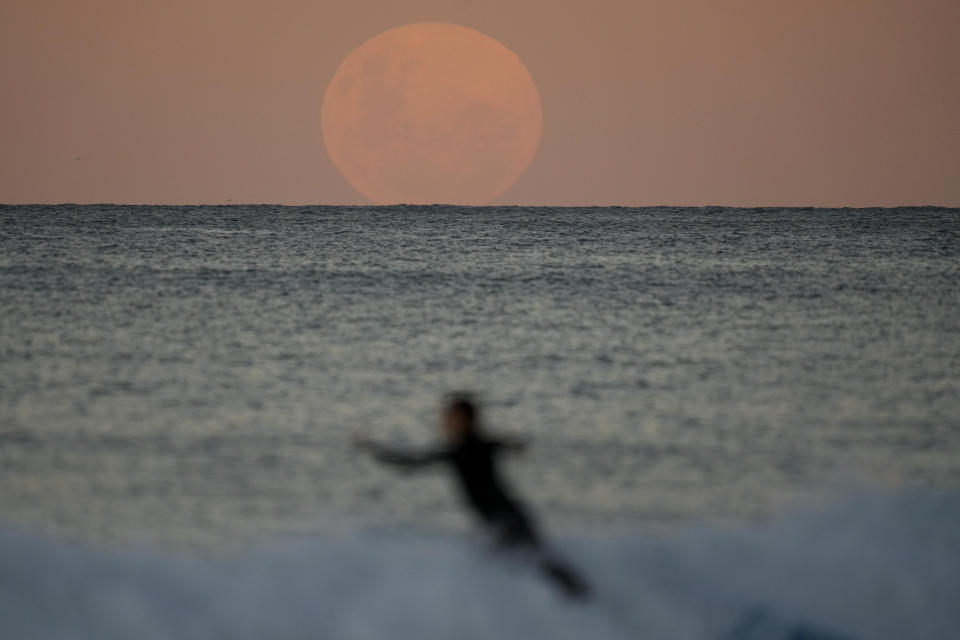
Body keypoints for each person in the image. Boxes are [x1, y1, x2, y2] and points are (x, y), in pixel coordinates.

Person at [355, 393, 590, 600]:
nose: (444, 421)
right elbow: (502, 442)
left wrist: (374, 450)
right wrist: (515, 445)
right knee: (540, 569)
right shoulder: (476, 444)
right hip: (510, 518)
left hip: (505, 523)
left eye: (449, 416)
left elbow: (410, 463)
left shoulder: (461, 449)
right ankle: (582, 600)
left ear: (464, 420)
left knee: (534, 569)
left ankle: (580, 601)